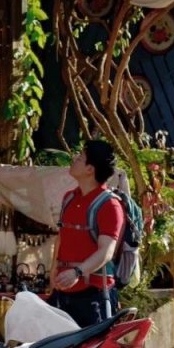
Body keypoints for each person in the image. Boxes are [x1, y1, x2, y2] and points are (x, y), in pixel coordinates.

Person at [49, 139, 124, 327]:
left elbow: (106, 251)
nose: (74, 159)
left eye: (80, 158)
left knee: (94, 346)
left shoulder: (110, 205)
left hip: (93, 295)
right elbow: (61, 237)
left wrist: (77, 272)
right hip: (63, 291)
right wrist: (53, 270)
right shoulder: (69, 198)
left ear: (90, 169)